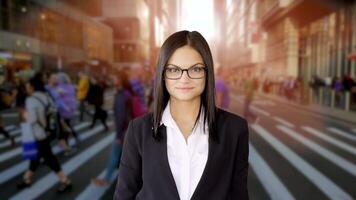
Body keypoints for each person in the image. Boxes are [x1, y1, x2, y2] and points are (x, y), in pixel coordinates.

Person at [114, 31, 249, 200]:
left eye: (196, 69)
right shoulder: (138, 130)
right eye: (173, 69)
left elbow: (239, 196)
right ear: (163, 74)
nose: (184, 79)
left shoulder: (235, 129)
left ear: (208, 73)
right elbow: (124, 196)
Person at [17, 73, 72, 193]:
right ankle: (27, 178)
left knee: (49, 158)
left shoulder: (31, 100)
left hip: (38, 134)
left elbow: (31, 119)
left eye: (28, 86)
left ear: (32, 87)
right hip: (48, 132)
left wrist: (24, 115)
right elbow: (54, 110)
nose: (27, 88)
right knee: (37, 157)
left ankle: (65, 180)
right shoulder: (46, 96)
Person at [93, 70, 133, 186]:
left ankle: (106, 179)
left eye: (114, 78)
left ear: (120, 80)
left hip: (123, 131)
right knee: (124, 156)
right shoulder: (127, 93)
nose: (112, 80)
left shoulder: (121, 95)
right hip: (129, 129)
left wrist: (118, 136)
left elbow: (120, 117)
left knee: (115, 154)